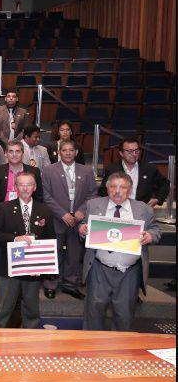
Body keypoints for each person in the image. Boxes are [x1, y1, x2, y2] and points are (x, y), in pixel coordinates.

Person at [78, 172, 161, 331]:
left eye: (122, 187)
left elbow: (156, 229)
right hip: (99, 269)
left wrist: (151, 235)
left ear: (129, 190)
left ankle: (120, 346)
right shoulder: (93, 205)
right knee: (94, 313)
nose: (117, 191)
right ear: (107, 188)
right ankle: (91, 345)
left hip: (129, 273)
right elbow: (83, 225)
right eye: (113, 186)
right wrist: (82, 229)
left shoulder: (143, 209)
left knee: (124, 316)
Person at [0, 171, 55, 328]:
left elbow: (50, 239)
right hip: (10, 267)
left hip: (33, 268)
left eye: (29, 185)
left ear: (35, 187)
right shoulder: (4, 208)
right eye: (21, 185)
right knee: (4, 309)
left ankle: (29, 339)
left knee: (31, 310)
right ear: (15, 187)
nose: (25, 188)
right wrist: (14, 239)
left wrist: (44, 267)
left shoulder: (45, 210)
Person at [41, 139, 99, 299]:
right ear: (59, 152)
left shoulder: (86, 171)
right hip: (56, 219)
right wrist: (62, 214)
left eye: (71, 150)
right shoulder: (48, 170)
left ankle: (70, 284)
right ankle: (50, 284)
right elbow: (46, 196)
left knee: (74, 255)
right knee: (54, 253)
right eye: (64, 150)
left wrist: (82, 211)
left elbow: (93, 194)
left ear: (76, 152)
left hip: (78, 221)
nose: (67, 153)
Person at [99, 137, 169, 207]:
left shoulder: (149, 168)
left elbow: (165, 184)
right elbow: (103, 190)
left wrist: (157, 199)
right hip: (118, 208)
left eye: (136, 151)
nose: (134, 154)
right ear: (121, 153)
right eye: (130, 151)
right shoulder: (112, 169)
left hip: (142, 208)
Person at [0, 140, 44, 218]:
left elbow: (39, 197)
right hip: (2, 214)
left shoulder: (34, 172)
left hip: (26, 214)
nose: (14, 155)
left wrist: (34, 215)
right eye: (11, 151)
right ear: (6, 154)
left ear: (23, 153)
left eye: (18, 151)